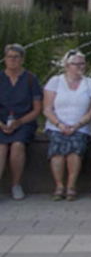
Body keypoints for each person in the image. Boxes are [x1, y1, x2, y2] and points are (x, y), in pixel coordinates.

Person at [42, 50, 91, 201]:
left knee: (75, 149)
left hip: (80, 126)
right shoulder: (55, 81)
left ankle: (71, 186)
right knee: (57, 149)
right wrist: (59, 124)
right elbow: (47, 108)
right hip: (56, 125)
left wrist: (78, 124)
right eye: (76, 64)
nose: (80, 67)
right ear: (67, 65)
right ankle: (59, 185)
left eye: (82, 64)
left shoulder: (89, 83)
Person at [0, 44, 42, 201]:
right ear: (4, 59)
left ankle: (16, 185)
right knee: (1, 148)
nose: (12, 60)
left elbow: (37, 109)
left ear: (22, 60)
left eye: (15, 57)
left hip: (24, 122)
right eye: (9, 57)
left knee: (18, 145)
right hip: (2, 122)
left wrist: (20, 122)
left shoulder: (31, 79)